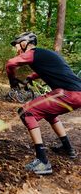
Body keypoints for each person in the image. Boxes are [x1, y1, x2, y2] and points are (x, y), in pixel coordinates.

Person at [5, 31, 81, 175]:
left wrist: (12, 83)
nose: (16, 48)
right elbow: (50, 69)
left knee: (26, 112)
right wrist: (30, 77)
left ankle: (43, 162)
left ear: (24, 43)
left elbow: (10, 64)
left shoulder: (33, 53)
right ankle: (68, 148)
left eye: (17, 45)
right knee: (49, 114)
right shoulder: (46, 54)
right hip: (77, 94)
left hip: (67, 93)